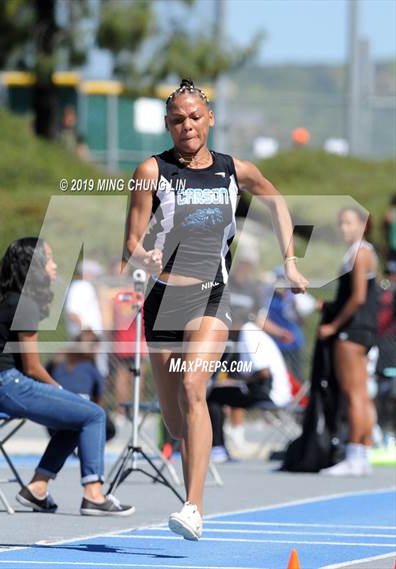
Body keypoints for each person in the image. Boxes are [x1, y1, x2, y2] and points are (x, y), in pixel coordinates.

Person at [123, 79, 308, 540]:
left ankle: (193, 506)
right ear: (168, 125)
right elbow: (130, 239)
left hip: (211, 294)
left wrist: (289, 259)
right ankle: (192, 478)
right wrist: (140, 255)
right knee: (175, 419)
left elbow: (275, 199)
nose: (186, 126)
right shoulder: (151, 171)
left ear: (209, 119)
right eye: (177, 120)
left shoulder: (234, 170)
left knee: (194, 384)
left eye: (194, 117)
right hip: (163, 298)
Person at [0, 237, 134, 516]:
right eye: (48, 259)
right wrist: (61, 390)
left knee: (74, 420)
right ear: (33, 265)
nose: (55, 265)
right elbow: (33, 367)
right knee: (93, 414)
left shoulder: (3, 299)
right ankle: (94, 494)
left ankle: (37, 488)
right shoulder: (25, 304)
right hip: (8, 385)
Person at [318, 207, 378, 476]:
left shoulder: (360, 252)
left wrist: (333, 326)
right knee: (362, 394)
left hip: (352, 330)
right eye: (341, 223)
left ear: (363, 225)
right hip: (362, 329)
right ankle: (362, 453)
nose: (343, 228)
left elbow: (358, 297)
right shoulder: (359, 251)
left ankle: (354, 453)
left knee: (353, 394)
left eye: (349, 223)